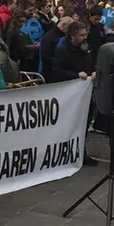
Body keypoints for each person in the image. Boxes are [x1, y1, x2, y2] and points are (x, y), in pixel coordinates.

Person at [51, 21, 98, 166]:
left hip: (86, 92)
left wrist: (95, 71)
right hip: (70, 95)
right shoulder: (62, 50)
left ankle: (81, 152)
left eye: (85, 35)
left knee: (84, 123)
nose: (85, 38)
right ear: (73, 35)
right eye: (81, 35)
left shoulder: (87, 48)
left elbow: (94, 62)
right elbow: (56, 71)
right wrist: (75, 75)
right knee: (69, 125)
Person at [39, 16, 73, 81]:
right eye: (70, 28)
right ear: (63, 25)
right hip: (51, 74)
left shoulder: (59, 36)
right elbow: (46, 57)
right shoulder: (50, 37)